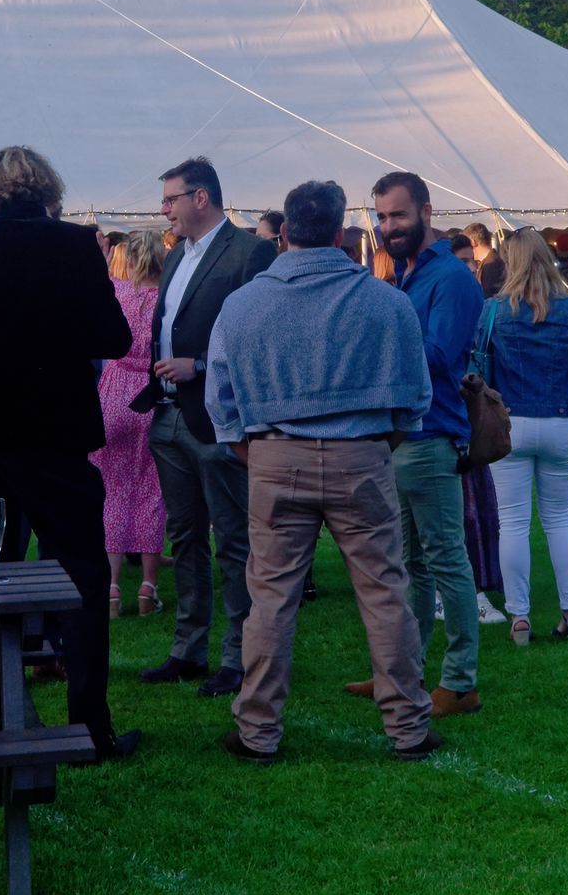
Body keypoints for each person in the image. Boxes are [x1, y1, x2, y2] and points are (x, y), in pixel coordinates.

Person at [0, 145, 140, 761]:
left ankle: (3, 712)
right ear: (47, 188)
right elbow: (113, 336)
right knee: (82, 576)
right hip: (55, 435)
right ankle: (90, 726)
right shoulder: (72, 248)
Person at [205, 178, 438, 764]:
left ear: (284, 234)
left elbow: (220, 399)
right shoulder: (387, 301)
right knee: (386, 594)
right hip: (362, 454)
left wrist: (250, 449)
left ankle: (258, 732)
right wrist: (378, 441)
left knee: (272, 600)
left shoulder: (243, 304)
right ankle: (408, 728)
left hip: (275, 456)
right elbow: (415, 398)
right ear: (340, 234)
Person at [137, 156, 275, 698]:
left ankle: (238, 656)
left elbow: (261, 333)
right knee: (187, 537)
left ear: (201, 198)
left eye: (170, 198)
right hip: (169, 416)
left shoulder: (249, 252)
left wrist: (199, 364)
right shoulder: (176, 256)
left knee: (234, 539)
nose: (163, 209)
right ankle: (187, 649)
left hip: (218, 418)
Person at [354, 171, 484, 718]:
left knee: (446, 559)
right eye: (382, 217)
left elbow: (437, 357)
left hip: (430, 436)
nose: (389, 227)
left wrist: (375, 339)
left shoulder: (451, 278)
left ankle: (460, 681)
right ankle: (401, 668)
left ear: (427, 211)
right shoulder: (406, 273)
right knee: (409, 564)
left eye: (398, 215)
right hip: (404, 435)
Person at [481, 230, 568, 645]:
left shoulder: (493, 311)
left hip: (510, 423)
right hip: (561, 421)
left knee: (512, 522)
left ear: (510, 263)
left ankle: (519, 617)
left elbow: (482, 374)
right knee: (559, 518)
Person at [92, 230, 166, 618]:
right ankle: (148, 586)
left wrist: (104, 258)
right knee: (152, 492)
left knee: (111, 488)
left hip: (115, 391)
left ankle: (111, 586)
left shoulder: (117, 293)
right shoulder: (167, 302)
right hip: (152, 393)